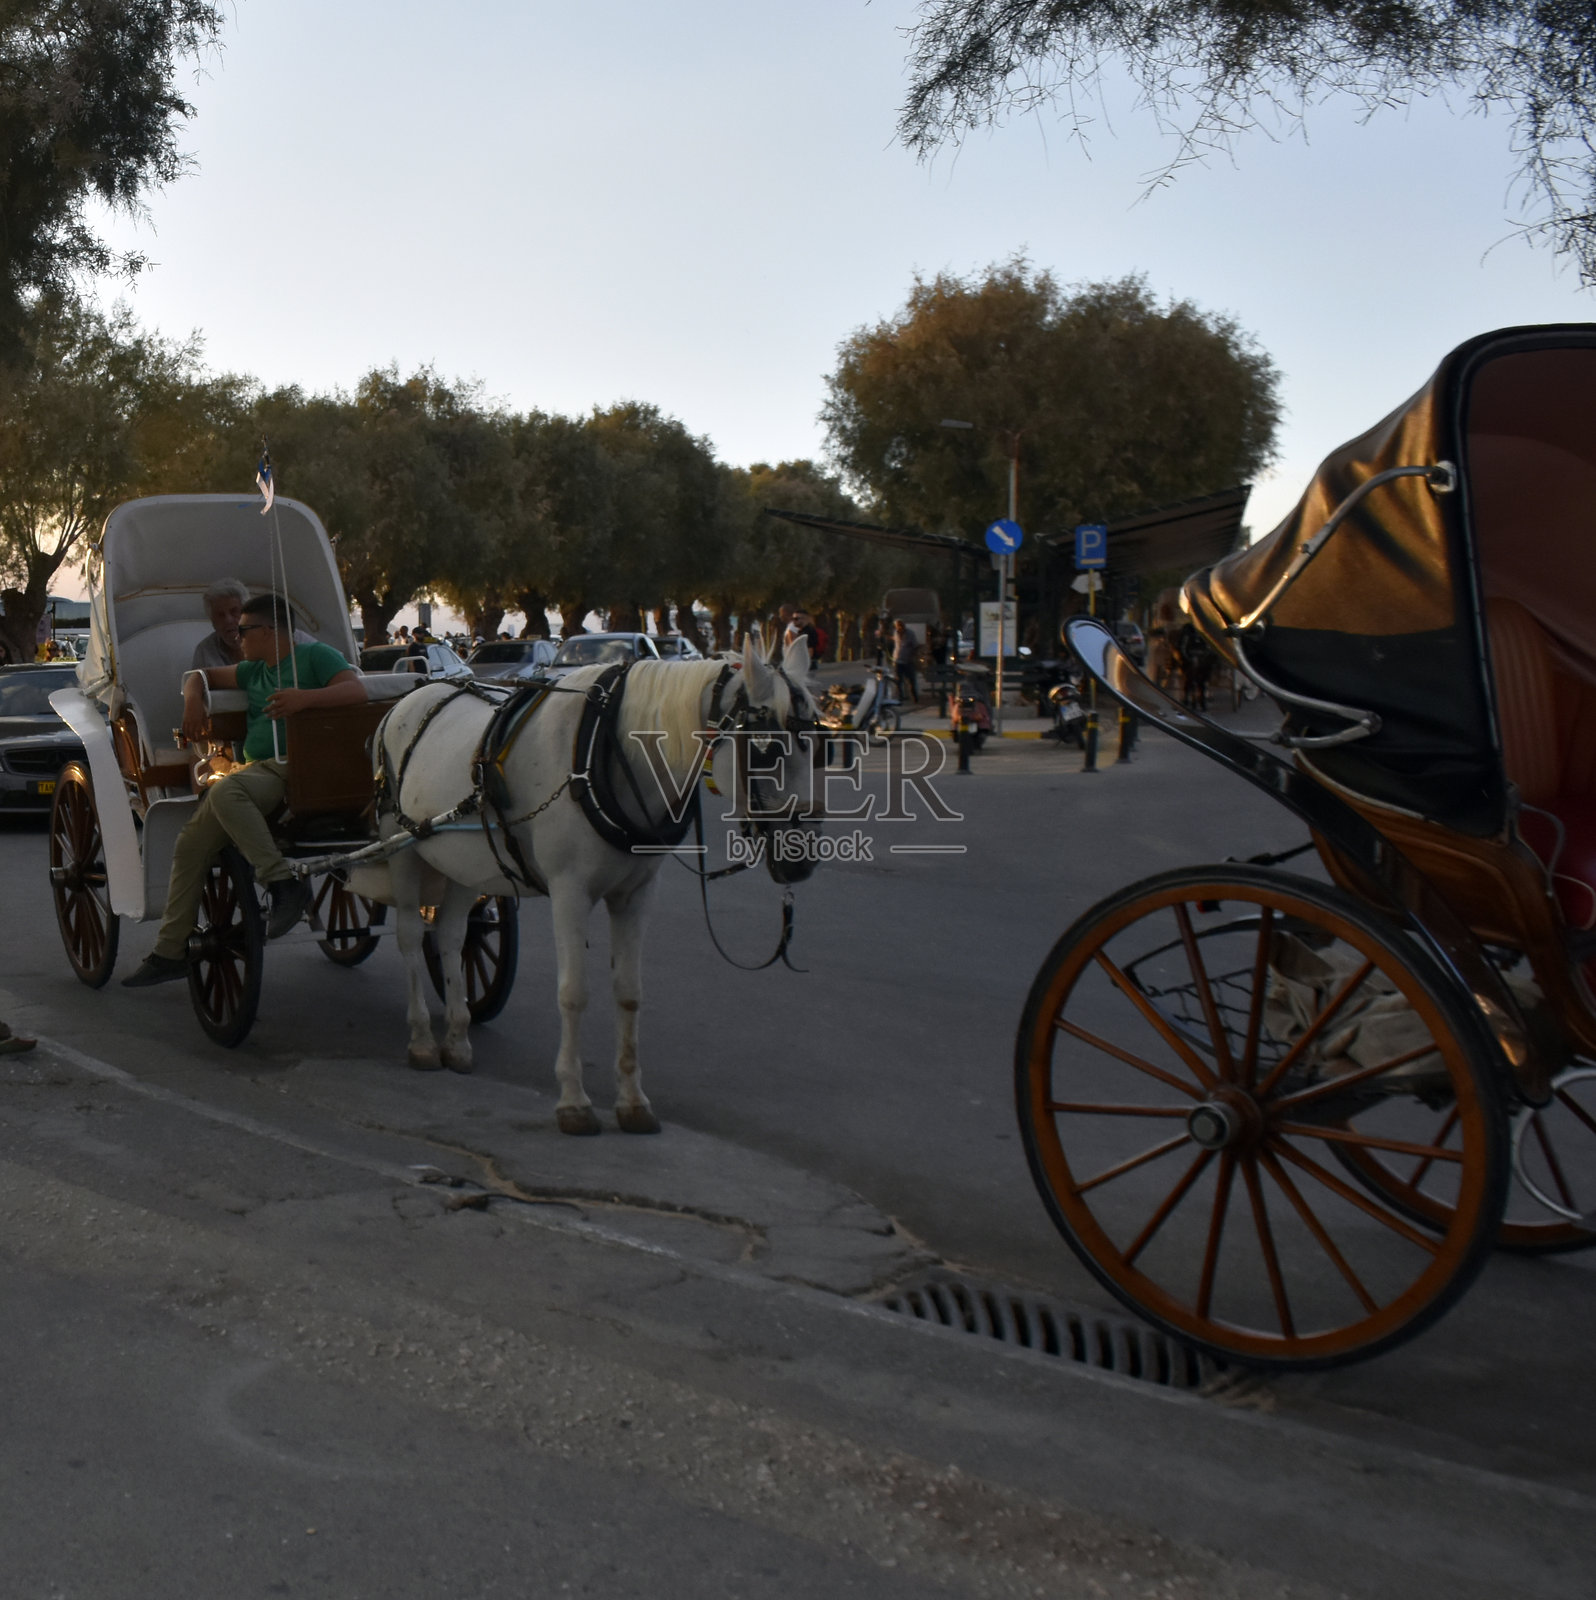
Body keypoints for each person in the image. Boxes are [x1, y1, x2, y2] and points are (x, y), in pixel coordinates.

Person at [121, 594, 367, 988]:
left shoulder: (314, 657)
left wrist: (305, 700)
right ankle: (170, 951)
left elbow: (356, 691)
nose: (238, 638)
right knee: (190, 845)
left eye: (245, 631)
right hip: (258, 771)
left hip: (295, 769)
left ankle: (280, 881)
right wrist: (192, 699)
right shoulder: (254, 670)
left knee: (226, 792)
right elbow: (198, 675)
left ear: (269, 632)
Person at [190, 578, 249, 669]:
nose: (228, 620)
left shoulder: (267, 640)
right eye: (220, 615)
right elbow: (197, 681)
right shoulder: (205, 650)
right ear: (213, 622)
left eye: (234, 611)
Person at [893, 619, 920, 705]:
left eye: (901, 625)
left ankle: (915, 697)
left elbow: (915, 646)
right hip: (898, 660)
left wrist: (912, 656)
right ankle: (900, 698)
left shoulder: (910, 634)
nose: (899, 628)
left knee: (911, 680)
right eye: (898, 626)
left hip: (908, 661)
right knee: (898, 680)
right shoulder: (896, 633)